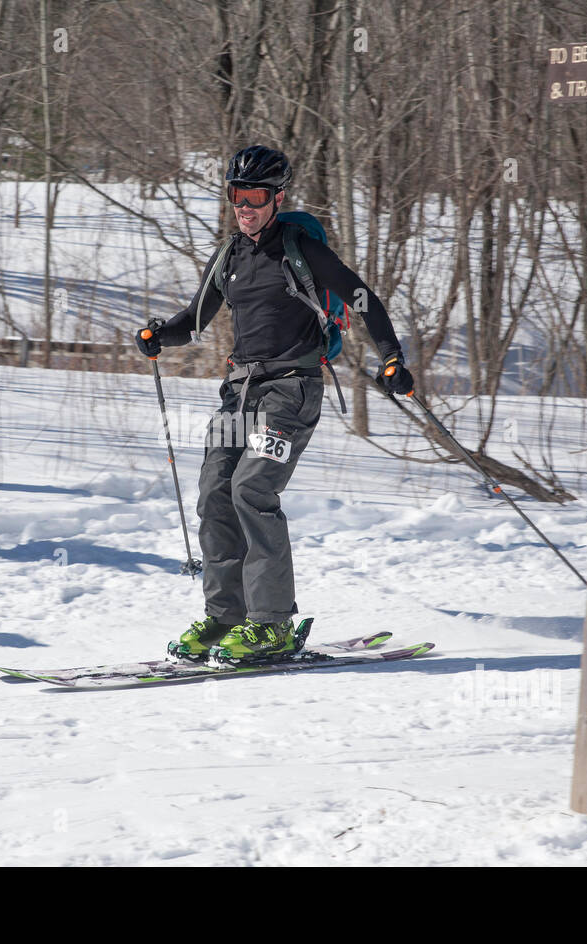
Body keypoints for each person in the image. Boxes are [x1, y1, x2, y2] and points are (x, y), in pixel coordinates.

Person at [136, 145, 414, 663]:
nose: (246, 206)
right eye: (238, 195)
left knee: (252, 489)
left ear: (277, 197)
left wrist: (392, 357)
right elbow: (195, 319)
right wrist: (158, 334)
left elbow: (362, 298)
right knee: (214, 492)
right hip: (237, 393)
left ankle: (272, 626)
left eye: (257, 196)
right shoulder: (229, 255)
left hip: (291, 390)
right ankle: (226, 617)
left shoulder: (299, 248)